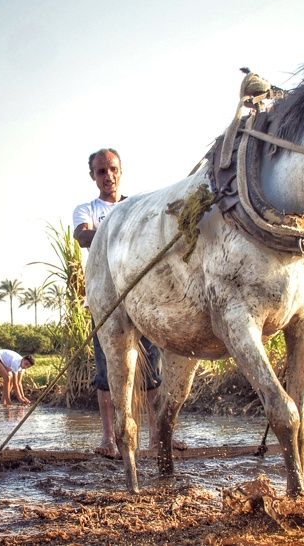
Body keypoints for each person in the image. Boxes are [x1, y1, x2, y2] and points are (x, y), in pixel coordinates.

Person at [73, 148, 185, 457]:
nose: (107, 176)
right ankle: (109, 439)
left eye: (112, 169)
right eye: (101, 171)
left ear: (120, 171)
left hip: (141, 297)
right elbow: (83, 237)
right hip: (107, 302)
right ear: (93, 176)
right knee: (108, 371)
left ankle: (158, 436)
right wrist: (120, 230)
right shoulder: (87, 210)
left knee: (152, 372)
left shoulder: (137, 207)